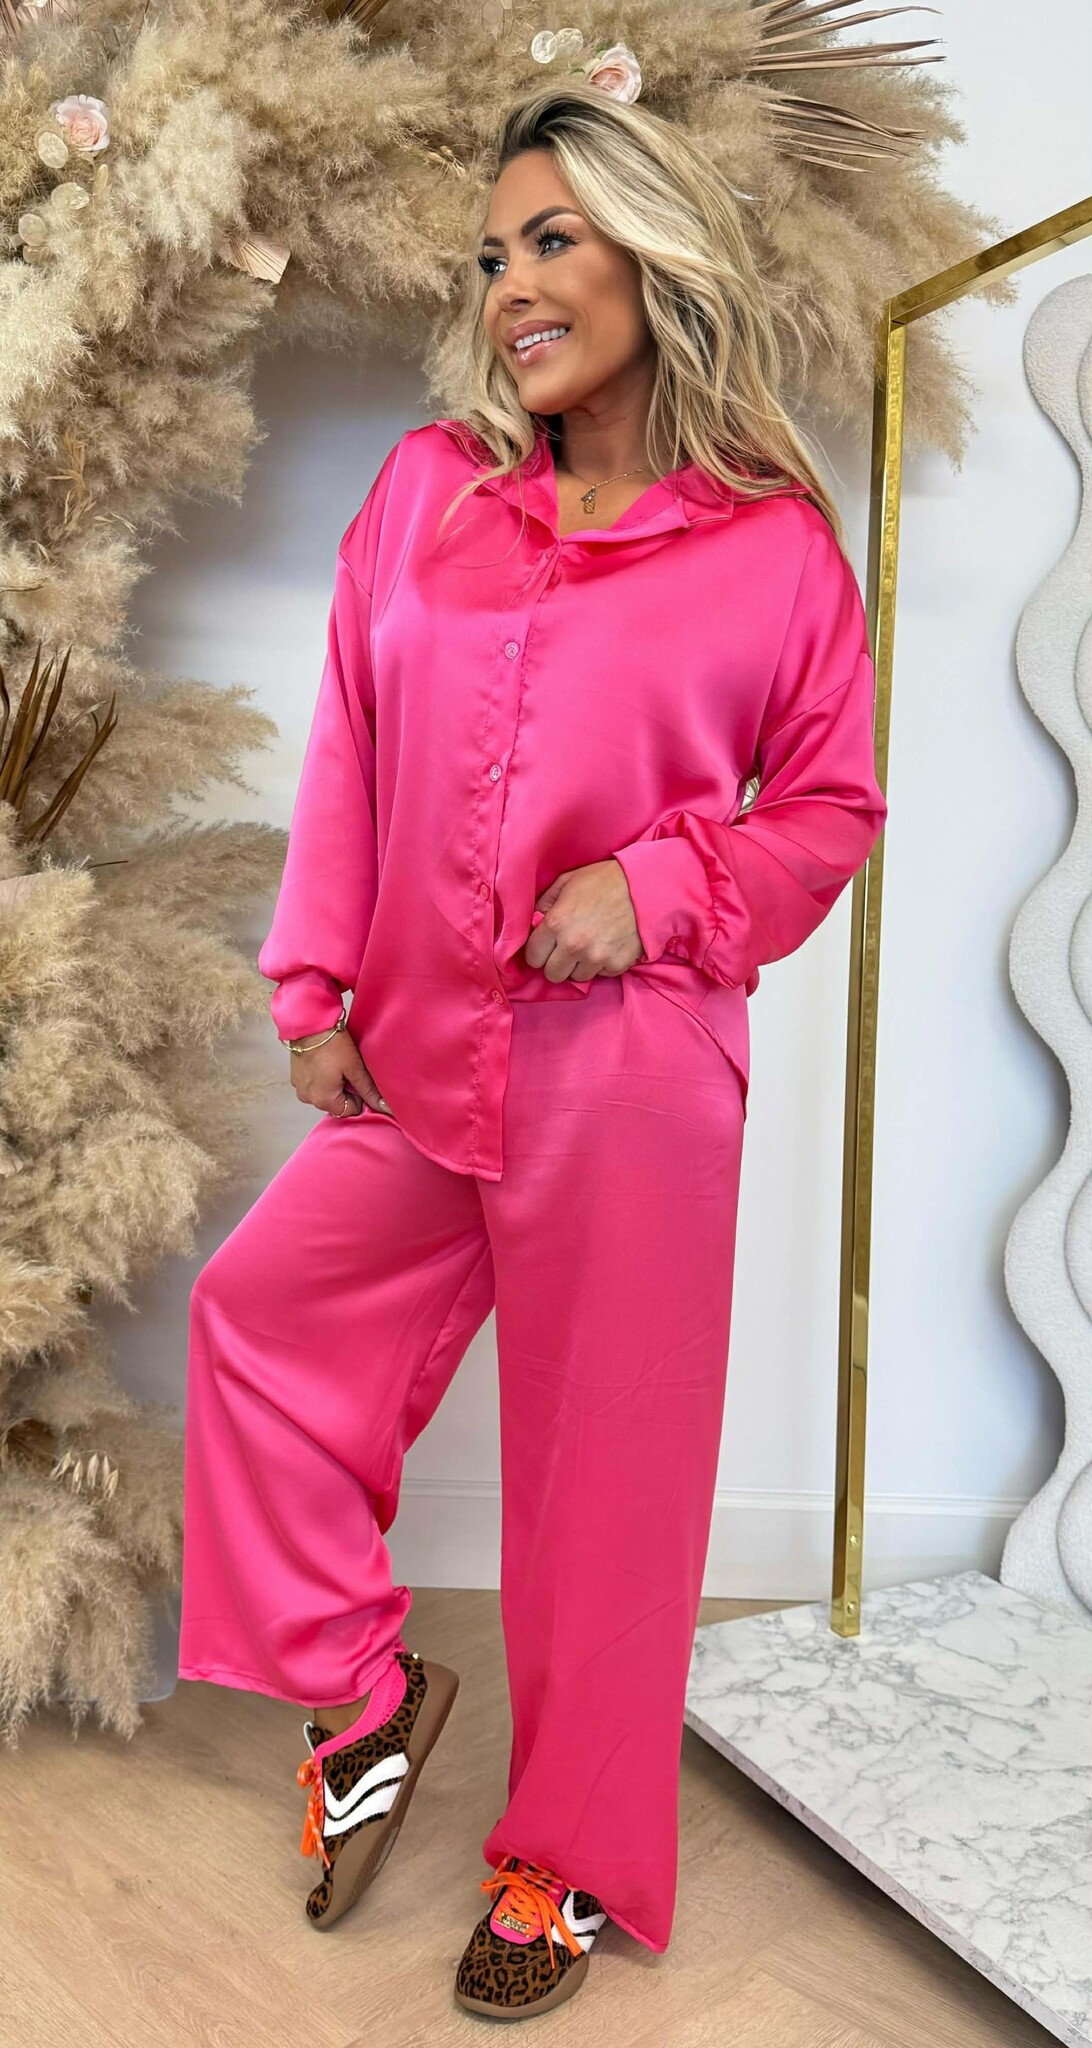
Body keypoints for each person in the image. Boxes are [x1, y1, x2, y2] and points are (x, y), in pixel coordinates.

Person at [177, 79, 888, 2022]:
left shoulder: (775, 554)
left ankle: (565, 1858)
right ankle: (363, 1685)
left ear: (651, 258)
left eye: (553, 241)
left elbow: (830, 812)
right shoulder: (426, 493)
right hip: (420, 1047)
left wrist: (653, 892)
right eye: (495, 255)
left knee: (604, 1483)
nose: (512, 287)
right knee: (261, 1325)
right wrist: (315, 988)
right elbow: (353, 732)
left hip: (631, 1075)